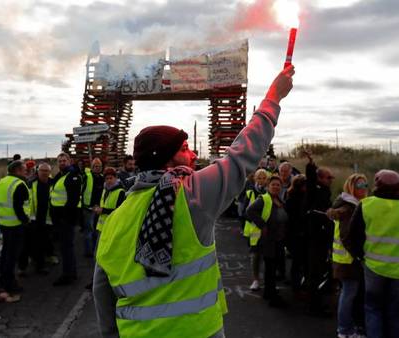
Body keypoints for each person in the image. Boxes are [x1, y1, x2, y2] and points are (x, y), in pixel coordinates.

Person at [93, 65, 294, 338]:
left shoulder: (115, 219)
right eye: (184, 149)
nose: (192, 155)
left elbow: (102, 294)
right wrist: (273, 98)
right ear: (167, 158)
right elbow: (240, 158)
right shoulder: (189, 194)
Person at [345, 169, 399, 338]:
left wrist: (361, 256)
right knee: (396, 312)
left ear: (377, 185)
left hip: (373, 267)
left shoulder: (367, 205)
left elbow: (352, 237)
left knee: (372, 309)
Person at [327, 174, 368, 338]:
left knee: (348, 293)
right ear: (351, 187)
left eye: (365, 184)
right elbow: (346, 236)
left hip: (344, 259)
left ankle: (348, 327)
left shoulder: (350, 204)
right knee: (348, 294)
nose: (364, 188)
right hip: (348, 260)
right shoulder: (350, 207)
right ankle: (344, 330)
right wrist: (359, 256)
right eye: (360, 185)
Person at [246, 176, 289, 307]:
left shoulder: (279, 200)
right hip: (269, 239)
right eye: (273, 185)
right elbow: (249, 211)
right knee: (270, 267)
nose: (276, 187)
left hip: (278, 239)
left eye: (278, 185)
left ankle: (269, 292)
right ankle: (271, 296)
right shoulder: (264, 199)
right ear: (268, 187)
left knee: (273, 266)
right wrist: (262, 225)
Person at [303, 151, 335, 315]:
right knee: (314, 271)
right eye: (329, 177)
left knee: (321, 269)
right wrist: (310, 165)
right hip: (315, 236)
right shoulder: (314, 190)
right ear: (321, 178)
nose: (331, 180)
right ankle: (314, 305)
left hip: (323, 237)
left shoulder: (325, 191)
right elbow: (310, 179)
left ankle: (319, 299)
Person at [0, 160, 30, 294]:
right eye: (24, 169)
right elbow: (18, 207)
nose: (26, 171)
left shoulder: (2, 182)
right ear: (17, 170)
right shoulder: (19, 184)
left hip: (4, 223)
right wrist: (25, 221)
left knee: (6, 252)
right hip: (16, 224)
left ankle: (2, 279)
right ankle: (9, 283)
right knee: (12, 255)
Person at [50, 152, 82, 286]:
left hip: (66, 219)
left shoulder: (72, 176)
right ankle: (71, 273)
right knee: (66, 247)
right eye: (59, 161)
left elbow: (73, 201)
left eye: (64, 161)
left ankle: (67, 275)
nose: (62, 163)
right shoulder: (60, 176)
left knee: (66, 248)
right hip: (60, 219)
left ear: (69, 161)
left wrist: (65, 218)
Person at [19, 163, 52, 275]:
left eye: (46, 171)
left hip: (46, 219)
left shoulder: (52, 183)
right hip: (31, 219)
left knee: (41, 244)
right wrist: (25, 217)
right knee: (26, 244)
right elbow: (25, 201)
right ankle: (22, 268)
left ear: (49, 172)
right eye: (42, 170)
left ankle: (40, 267)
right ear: (37, 171)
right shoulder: (30, 183)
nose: (44, 173)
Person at [243, 168, 269, 291]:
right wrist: (259, 222)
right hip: (254, 231)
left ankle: (268, 280)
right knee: (255, 257)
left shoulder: (270, 193)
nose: (261, 180)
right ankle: (256, 280)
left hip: (268, 231)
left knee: (268, 256)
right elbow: (245, 213)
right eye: (259, 178)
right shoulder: (250, 193)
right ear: (255, 179)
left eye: (264, 178)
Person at [285, 174, 307, 291]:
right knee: (298, 263)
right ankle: (296, 286)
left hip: (293, 235)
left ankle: (296, 284)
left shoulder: (291, 197)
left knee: (297, 262)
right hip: (296, 235)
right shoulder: (297, 200)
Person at [82, 158, 105, 257]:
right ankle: (88, 252)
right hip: (88, 208)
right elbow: (81, 191)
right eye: (95, 166)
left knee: (97, 230)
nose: (97, 168)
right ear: (92, 167)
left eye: (99, 166)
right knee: (89, 231)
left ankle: (96, 250)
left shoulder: (103, 177)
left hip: (99, 209)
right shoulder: (86, 177)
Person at [94, 167, 126, 235]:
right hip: (102, 227)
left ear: (116, 178)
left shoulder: (121, 192)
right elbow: (103, 205)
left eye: (111, 178)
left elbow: (120, 211)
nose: (109, 180)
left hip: (112, 227)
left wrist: (103, 210)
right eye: (107, 179)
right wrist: (98, 208)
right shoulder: (105, 190)